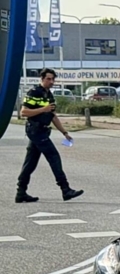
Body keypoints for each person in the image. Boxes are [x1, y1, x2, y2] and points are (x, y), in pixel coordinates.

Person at [16, 69, 84, 203]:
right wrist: (43, 109)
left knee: (30, 162)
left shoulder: (49, 95)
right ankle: (65, 189)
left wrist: (65, 132)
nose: (51, 82)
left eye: (53, 79)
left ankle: (21, 192)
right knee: (54, 156)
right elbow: (24, 112)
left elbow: (52, 116)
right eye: (48, 79)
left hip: (42, 130)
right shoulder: (34, 92)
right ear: (42, 78)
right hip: (35, 130)